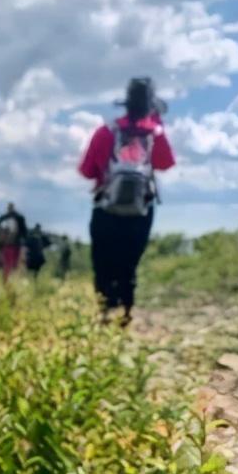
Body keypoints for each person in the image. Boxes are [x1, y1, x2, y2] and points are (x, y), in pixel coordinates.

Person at [78, 77, 175, 325]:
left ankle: (105, 310)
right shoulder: (155, 132)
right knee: (128, 261)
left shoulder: (106, 131)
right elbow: (165, 164)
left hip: (105, 207)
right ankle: (126, 310)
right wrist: (157, 124)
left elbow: (87, 170)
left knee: (103, 260)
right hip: (141, 210)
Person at [0, 202, 28, 283]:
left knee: (10, 265)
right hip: (8, 245)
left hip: (12, 245)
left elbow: (22, 233)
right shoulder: (8, 218)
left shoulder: (11, 218)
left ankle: (8, 283)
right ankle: (7, 283)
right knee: (9, 265)